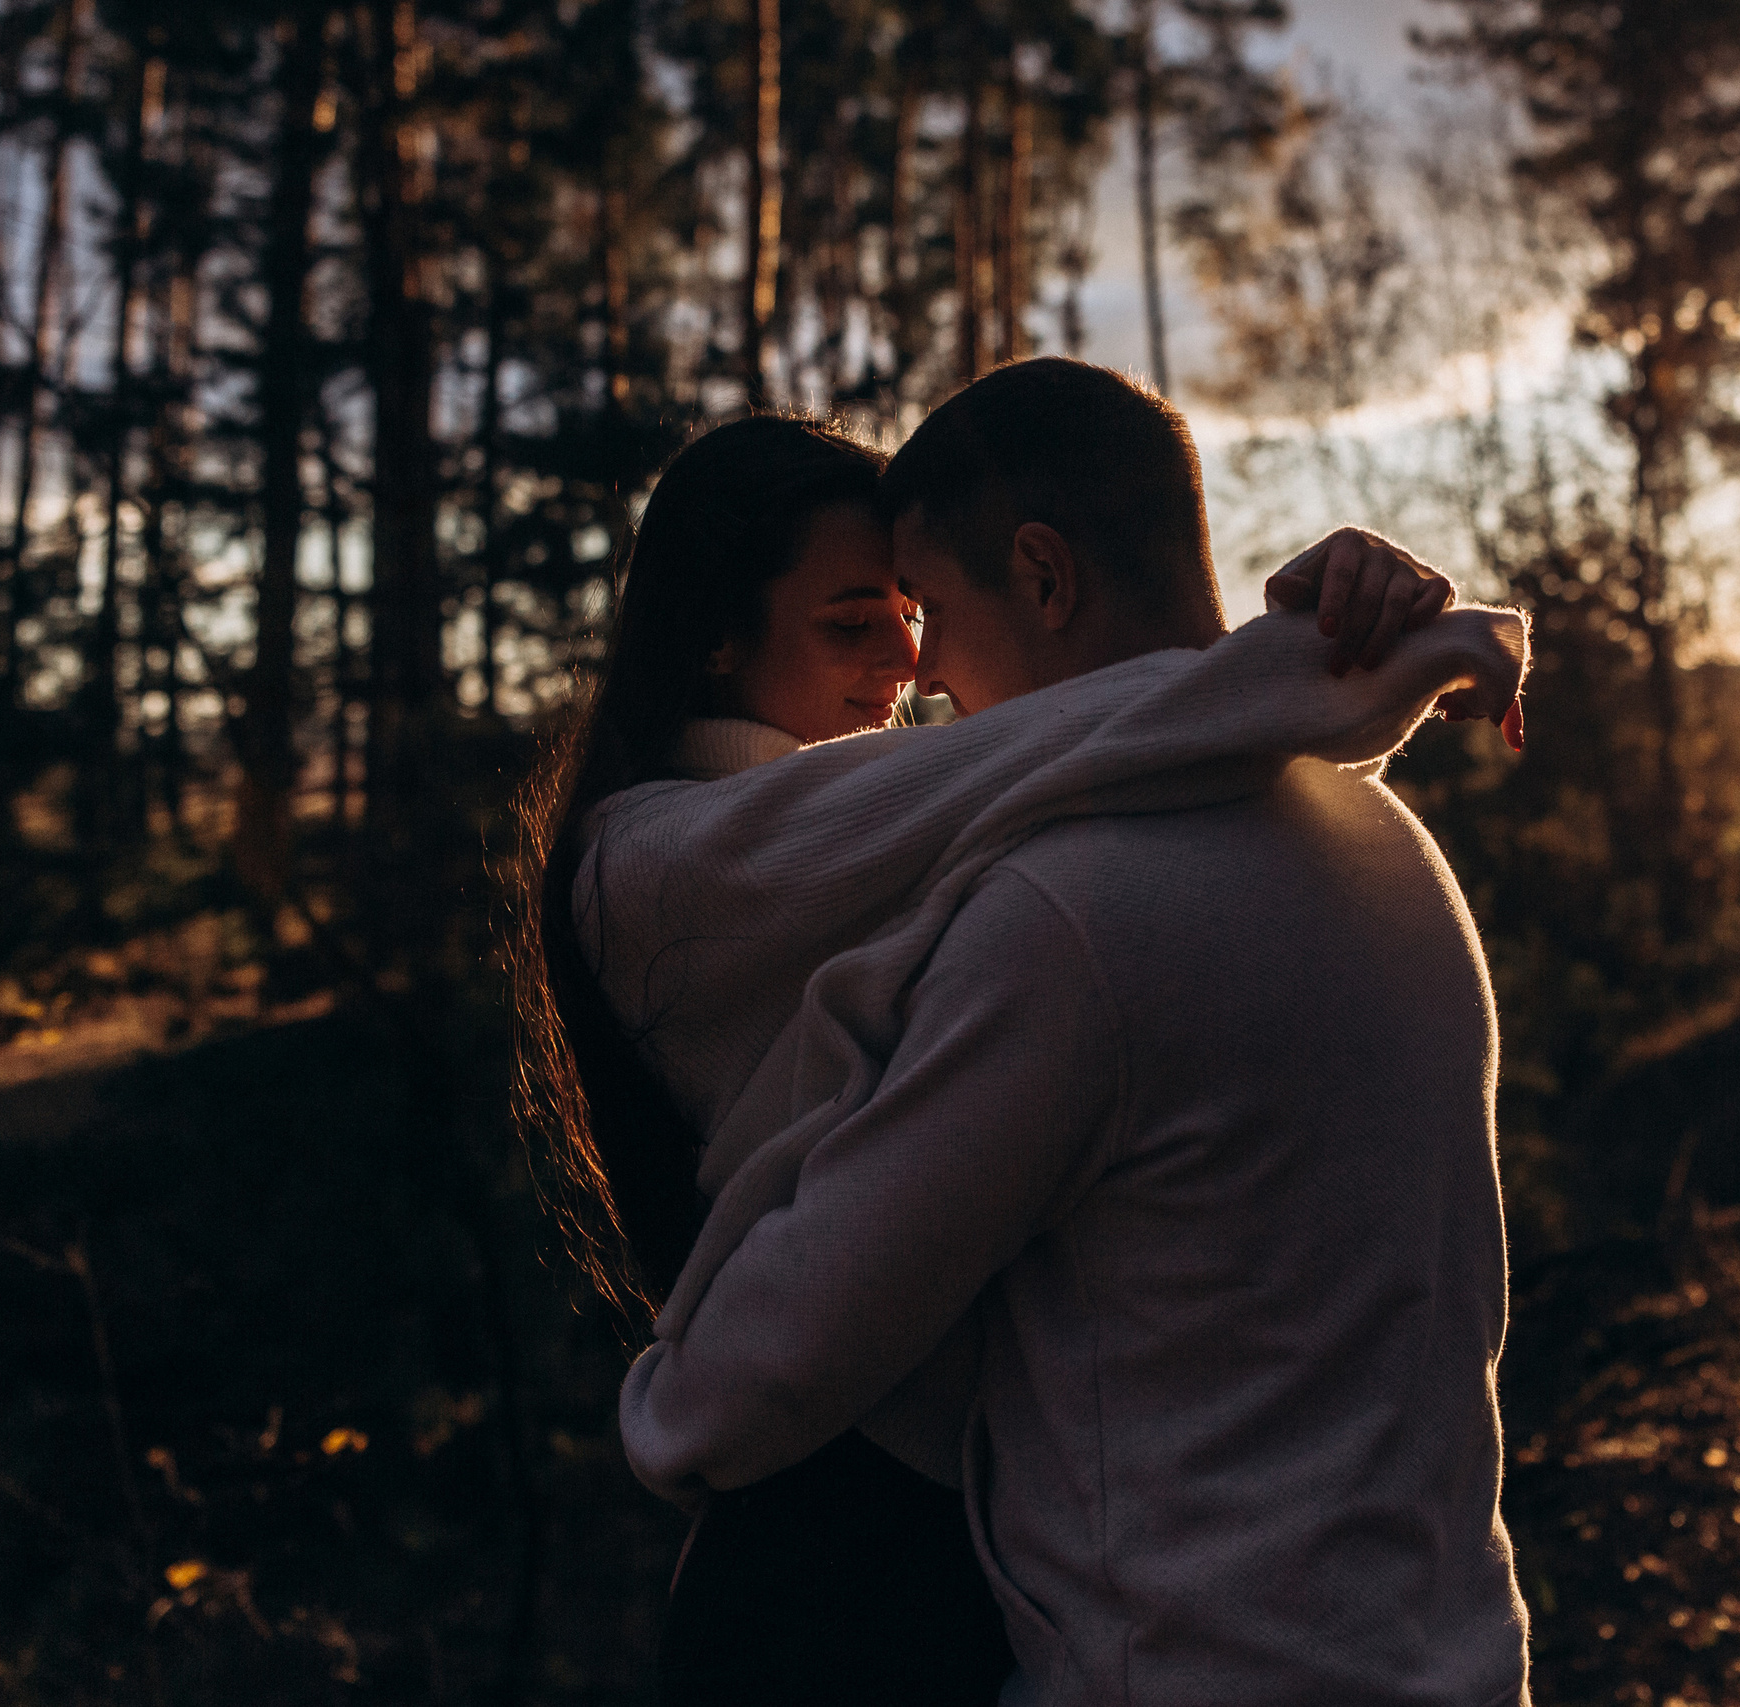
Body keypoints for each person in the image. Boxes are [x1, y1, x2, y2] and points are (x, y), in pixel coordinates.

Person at [508, 407, 1525, 1703]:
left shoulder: (1065, 917)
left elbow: (791, 1345)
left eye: (925, 609)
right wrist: (1318, 668)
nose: (920, 681)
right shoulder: (1388, 844)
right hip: (1449, 1655)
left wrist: (667, 1410)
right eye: (861, 621)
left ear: (1041, 576)